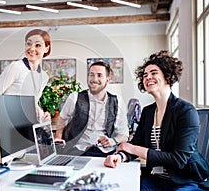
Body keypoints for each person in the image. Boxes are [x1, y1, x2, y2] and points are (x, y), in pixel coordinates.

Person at [104, 50, 209, 190]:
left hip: (185, 180)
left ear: (167, 76)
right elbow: (136, 142)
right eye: (145, 75)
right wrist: (121, 156)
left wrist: (132, 148)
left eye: (154, 73)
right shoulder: (148, 112)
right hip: (157, 179)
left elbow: (178, 159)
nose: (148, 77)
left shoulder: (186, 111)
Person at [54, 61, 129, 157]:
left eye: (99, 75)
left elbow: (124, 134)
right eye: (91, 75)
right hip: (76, 150)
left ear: (107, 80)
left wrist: (112, 141)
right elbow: (62, 118)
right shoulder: (75, 97)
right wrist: (58, 137)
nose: (94, 79)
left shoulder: (117, 101)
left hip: (105, 152)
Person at [0, 29, 51, 122]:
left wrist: (42, 115)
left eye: (38, 45)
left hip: (26, 125)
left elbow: (33, 104)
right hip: (9, 123)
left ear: (46, 48)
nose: (32, 49)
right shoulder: (16, 67)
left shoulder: (44, 77)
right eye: (29, 44)